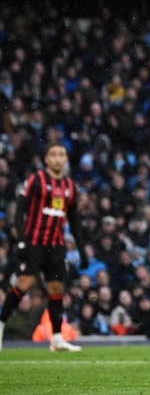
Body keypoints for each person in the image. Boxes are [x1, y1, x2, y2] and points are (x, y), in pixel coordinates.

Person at [0, 143, 88, 352]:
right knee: (24, 284)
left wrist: (82, 250)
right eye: (53, 155)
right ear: (46, 159)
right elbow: (20, 211)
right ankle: (1, 323)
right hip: (34, 243)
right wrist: (21, 240)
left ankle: (57, 339)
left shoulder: (69, 186)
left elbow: (74, 221)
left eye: (61, 155)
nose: (58, 158)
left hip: (56, 246)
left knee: (56, 289)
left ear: (66, 159)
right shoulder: (36, 180)